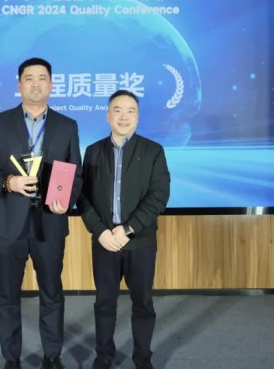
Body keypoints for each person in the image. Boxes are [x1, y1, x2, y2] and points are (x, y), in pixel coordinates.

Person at [0, 57, 83, 369]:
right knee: (8, 294)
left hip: (50, 221)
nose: (36, 84)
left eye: (42, 78)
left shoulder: (67, 125)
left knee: (52, 292)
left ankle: (52, 356)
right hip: (9, 222)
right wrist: (8, 182)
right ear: (19, 84)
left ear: (51, 84)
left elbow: (75, 174)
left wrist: (67, 200)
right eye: (29, 78)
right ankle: (12, 358)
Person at [78, 90, 171, 369]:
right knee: (104, 303)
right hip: (105, 242)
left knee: (142, 303)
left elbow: (159, 196)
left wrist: (128, 229)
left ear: (138, 117)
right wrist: (100, 232)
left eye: (130, 111)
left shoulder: (153, 151)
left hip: (139, 242)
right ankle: (103, 357)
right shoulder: (93, 151)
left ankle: (142, 359)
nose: (124, 116)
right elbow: (83, 197)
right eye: (117, 110)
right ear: (108, 115)